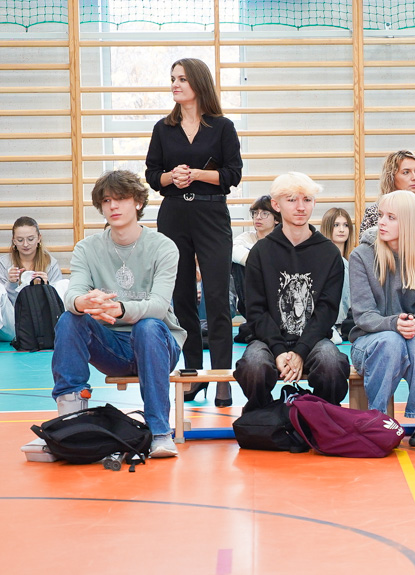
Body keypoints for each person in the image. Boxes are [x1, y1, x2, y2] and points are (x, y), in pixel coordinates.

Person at [51, 170, 185, 458]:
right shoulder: (87, 248)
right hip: (112, 346)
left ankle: (160, 432)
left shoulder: (163, 247)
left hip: (157, 343)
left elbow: (160, 306)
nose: (113, 206)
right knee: (70, 319)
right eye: (107, 200)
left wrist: (121, 309)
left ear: (137, 202)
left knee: (148, 326)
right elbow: (71, 296)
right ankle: (70, 423)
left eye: (121, 199)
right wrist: (84, 302)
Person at [145, 57, 243, 407]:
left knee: (217, 297)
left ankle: (221, 378)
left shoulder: (222, 127)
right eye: (172, 78)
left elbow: (233, 174)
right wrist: (173, 177)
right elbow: (152, 174)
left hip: (212, 212)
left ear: (198, 84)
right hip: (173, 214)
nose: (175, 84)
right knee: (181, 296)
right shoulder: (163, 128)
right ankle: (192, 374)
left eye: (182, 79)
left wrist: (197, 175)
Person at [233, 173, 350, 413]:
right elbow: (255, 310)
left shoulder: (328, 253)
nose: (300, 207)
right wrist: (278, 350)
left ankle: (323, 415)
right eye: (291, 200)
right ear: (276, 205)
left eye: (307, 200)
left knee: (332, 364)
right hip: (267, 340)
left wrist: (300, 351)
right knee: (253, 366)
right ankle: (263, 416)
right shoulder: (260, 252)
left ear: (314, 203)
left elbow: (327, 311)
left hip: (314, 340)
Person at [349, 190, 415, 447]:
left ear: (409, 222)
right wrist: (395, 324)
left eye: (391, 217)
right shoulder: (361, 256)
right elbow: (363, 315)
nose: (381, 222)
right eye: (381, 215)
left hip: (414, 337)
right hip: (368, 342)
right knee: (391, 341)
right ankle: (376, 418)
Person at [358, 150, 415, 248]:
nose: (414, 177)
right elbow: (365, 253)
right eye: (406, 172)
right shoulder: (375, 212)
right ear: (391, 177)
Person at [0, 217, 63, 341]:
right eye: (20, 240)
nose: (25, 244)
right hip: (14, 324)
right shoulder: (4, 263)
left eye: (30, 239)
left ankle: (64, 333)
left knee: (63, 284)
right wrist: (11, 284)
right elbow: (4, 306)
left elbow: (57, 304)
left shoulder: (50, 262)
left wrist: (47, 287)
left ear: (39, 238)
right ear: (14, 241)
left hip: (44, 323)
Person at [231, 195, 279, 318]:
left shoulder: (283, 240)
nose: (258, 217)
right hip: (251, 299)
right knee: (237, 265)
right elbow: (234, 252)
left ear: (276, 219)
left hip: (278, 297)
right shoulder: (247, 237)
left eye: (265, 213)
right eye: (255, 213)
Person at [320, 207, 355, 337]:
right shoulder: (320, 259)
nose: (341, 229)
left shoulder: (355, 259)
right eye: (336, 225)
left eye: (346, 225)